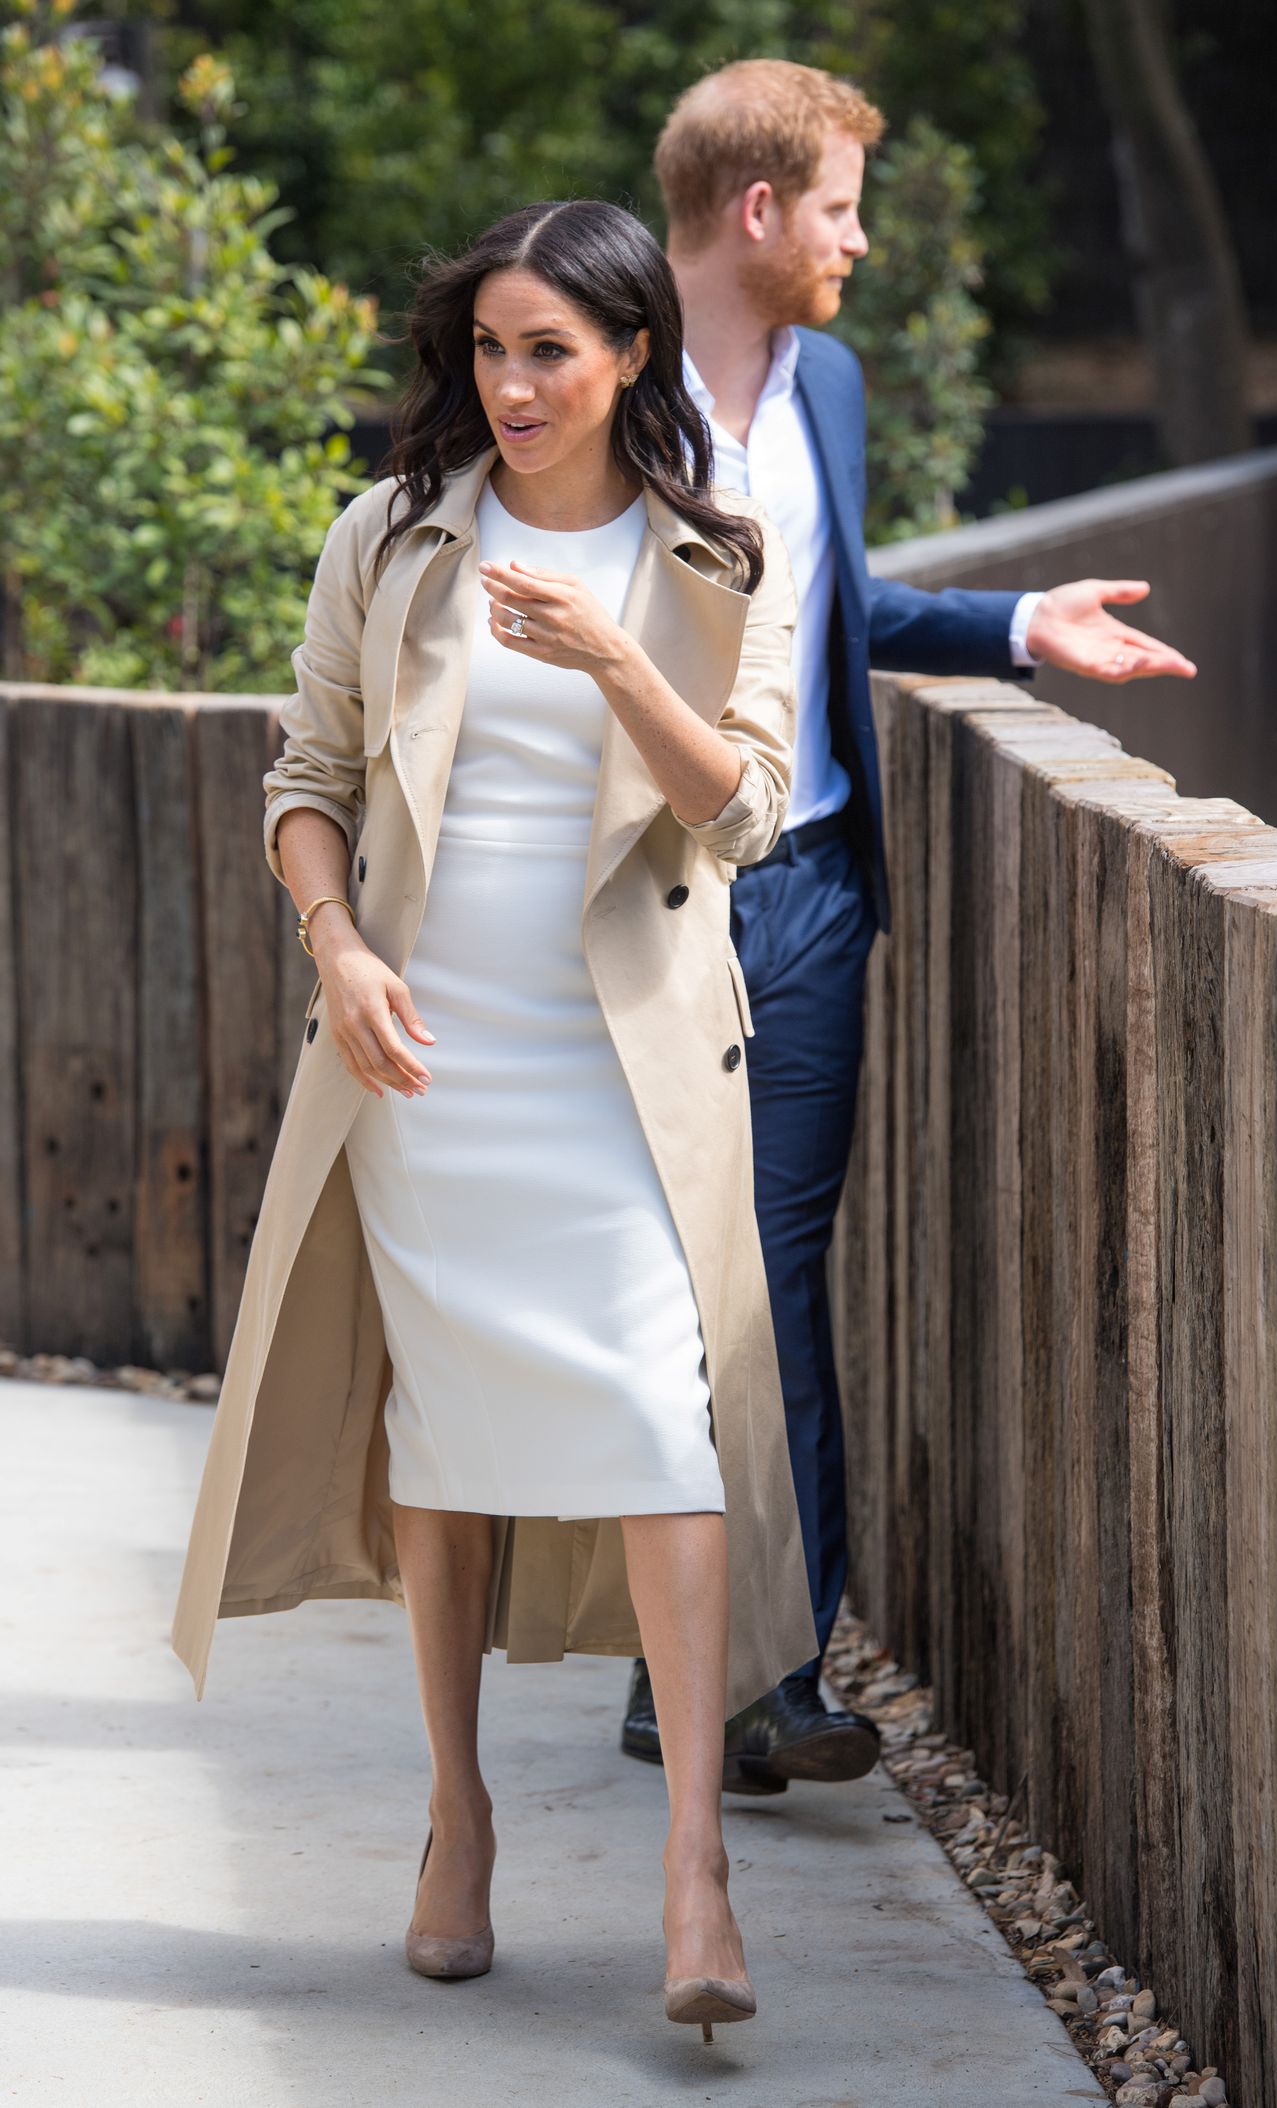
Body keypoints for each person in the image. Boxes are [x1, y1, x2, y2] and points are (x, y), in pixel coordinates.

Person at [171, 197, 817, 2037]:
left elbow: (743, 813)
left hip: (622, 1069)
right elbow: (306, 778)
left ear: (631, 358)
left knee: (656, 1425)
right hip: (429, 1054)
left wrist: (614, 656)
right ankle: (457, 1819)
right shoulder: (389, 536)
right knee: (442, 1437)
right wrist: (338, 951)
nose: (513, 385)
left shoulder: (714, 556)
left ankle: (697, 1867)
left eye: (551, 350)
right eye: (489, 349)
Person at [621, 59, 1197, 1795]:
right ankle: (661, 1658)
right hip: (635, 902)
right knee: (654, 1286)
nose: (859, 241)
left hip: (805, 887)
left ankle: (778, 1670)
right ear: (758, 211)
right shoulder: (588, 369)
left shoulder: (835, 384)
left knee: (777, 1279)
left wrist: (1021, 622)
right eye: (845, 208)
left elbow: (832, 604)